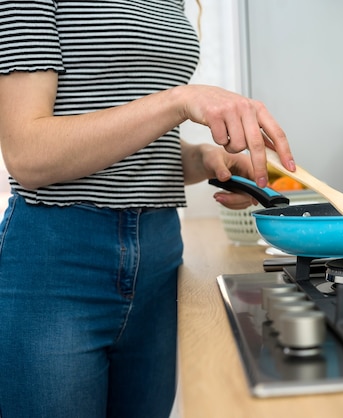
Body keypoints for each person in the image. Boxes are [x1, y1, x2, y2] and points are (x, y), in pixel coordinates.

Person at [0, 1, 295, 417]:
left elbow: (139, 144)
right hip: (57, 261)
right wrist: (179, 101)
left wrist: (204, 160)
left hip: (159, 257)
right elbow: (28, 155)